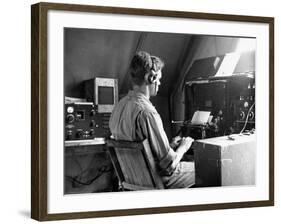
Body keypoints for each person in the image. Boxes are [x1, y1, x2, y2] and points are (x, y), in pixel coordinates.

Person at [109, 51, 195, 189]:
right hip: (157, 181)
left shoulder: (119, 106)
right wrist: (183, 148)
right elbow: (169, 167)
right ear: (151, 78)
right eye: (159, 78)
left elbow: (144, 150)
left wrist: (170, 146)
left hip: (133, 182)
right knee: (206, 169)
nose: (160, 83)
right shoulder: (147, 112)